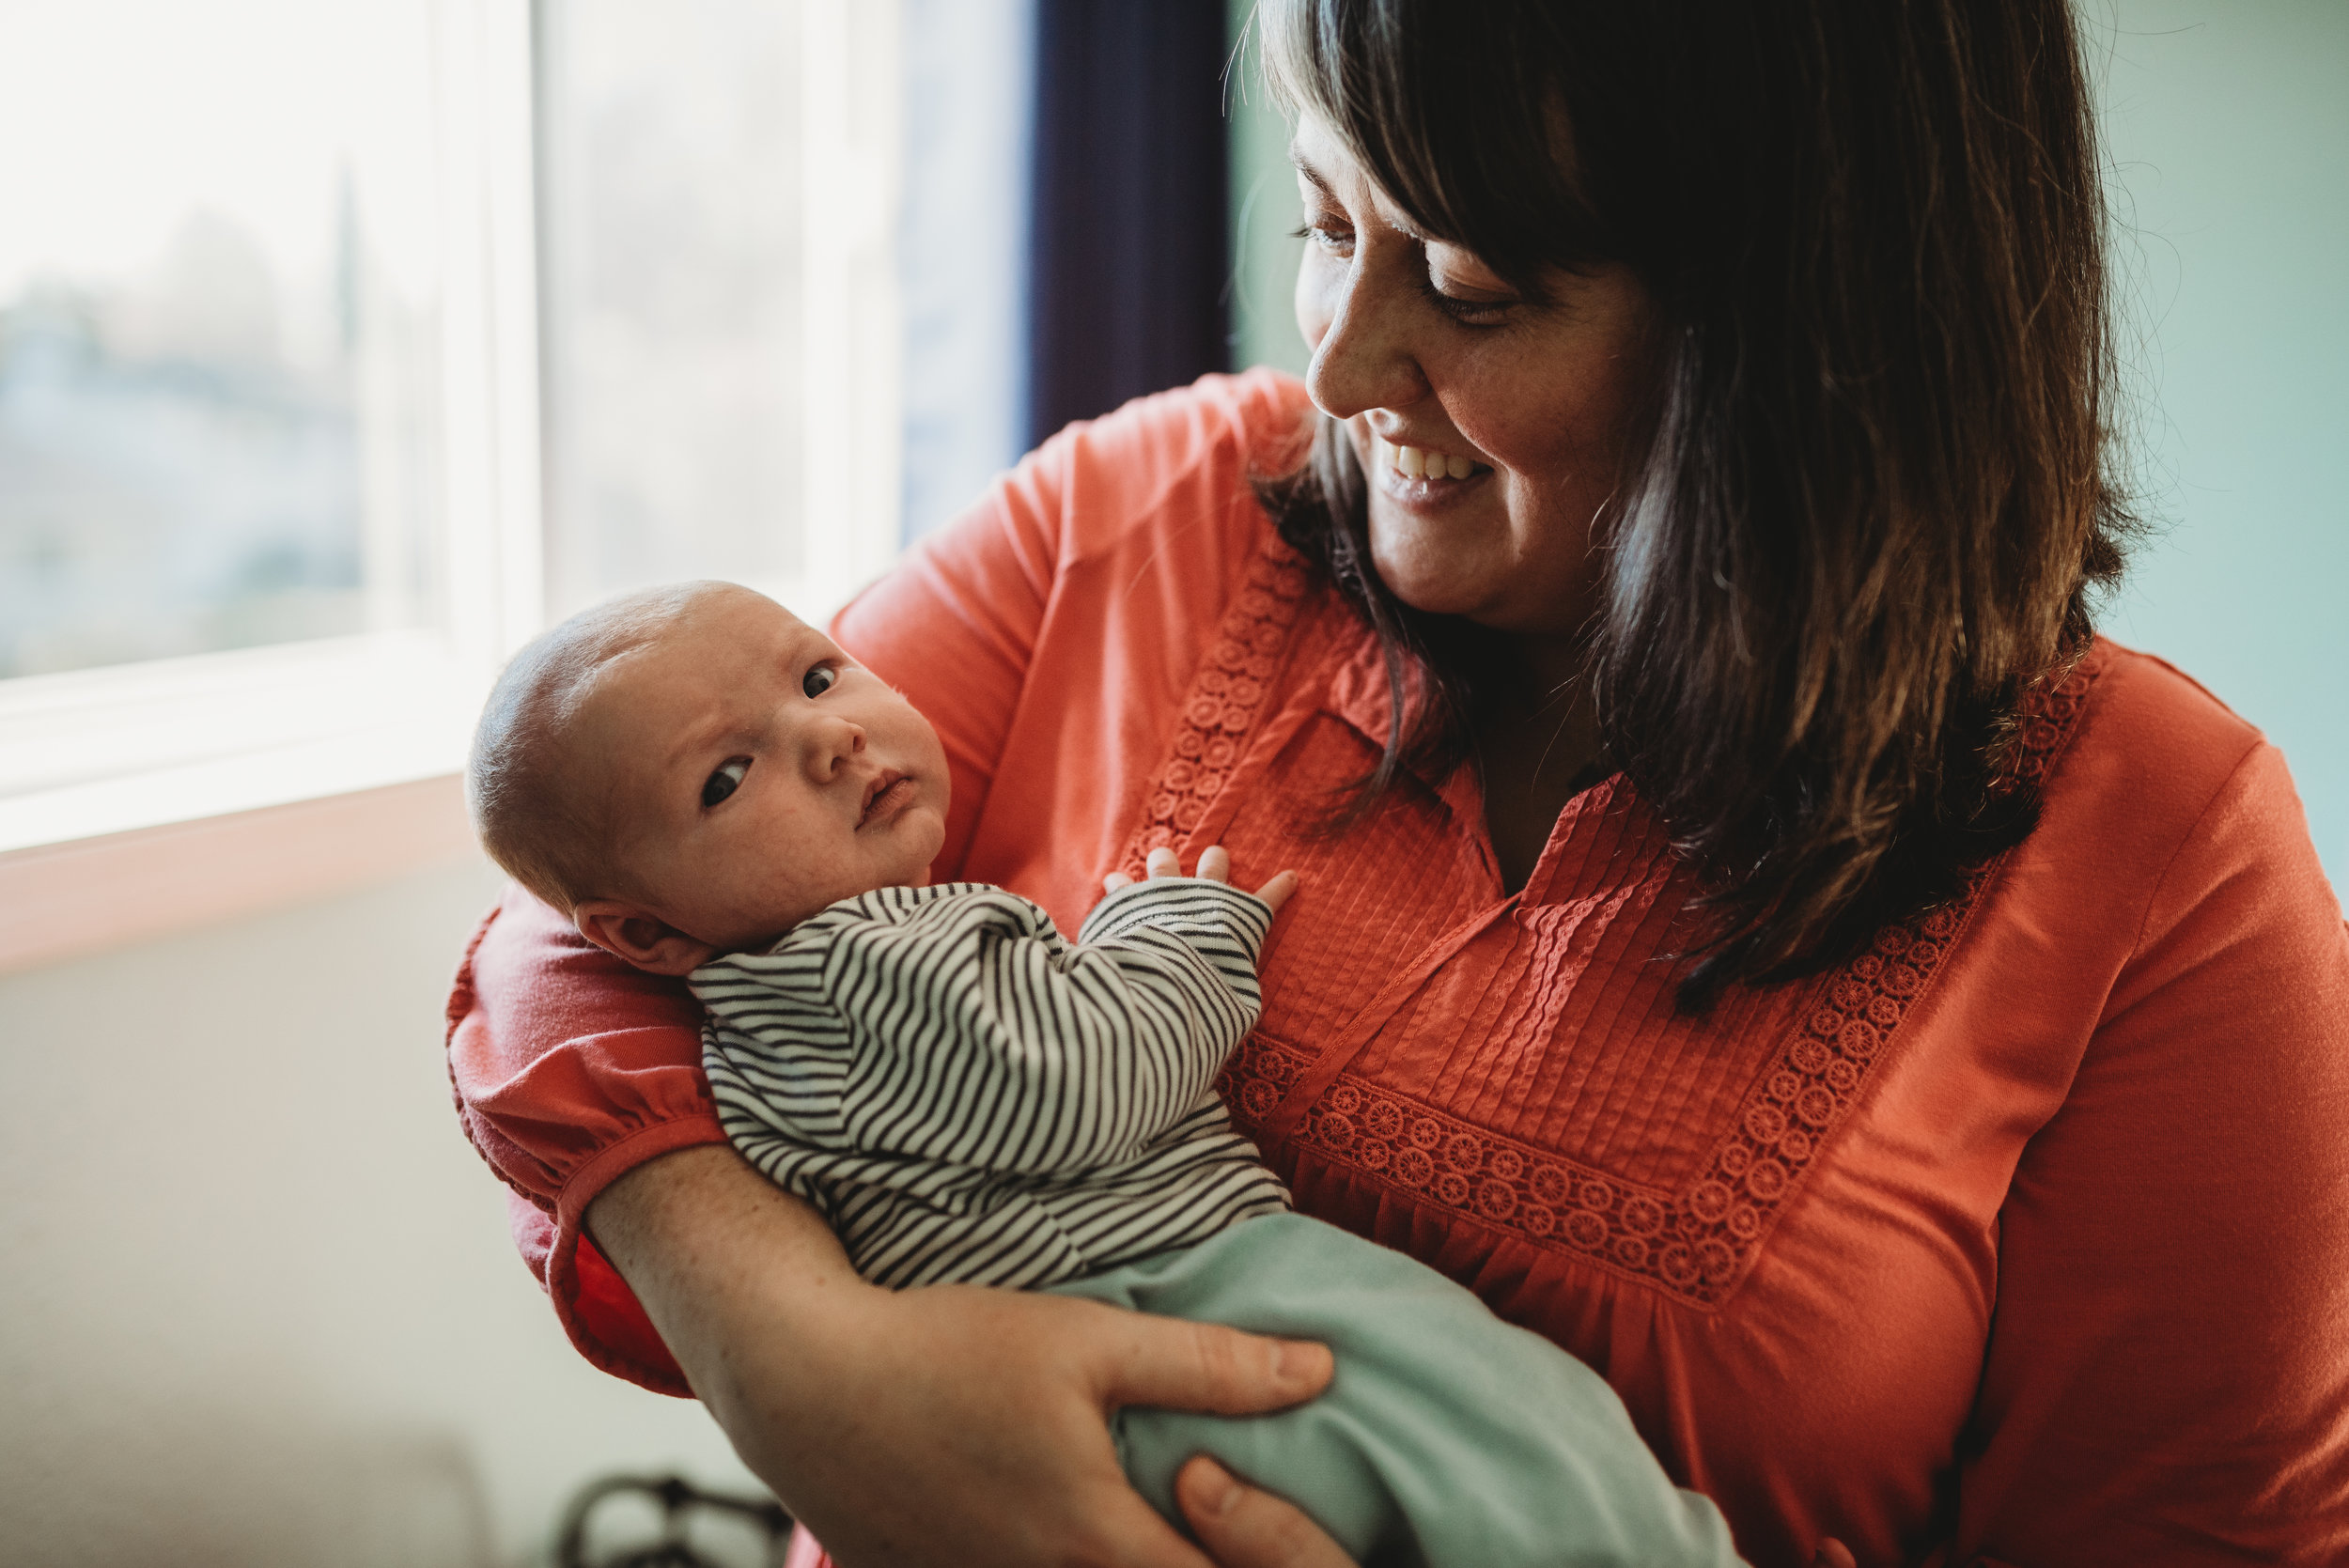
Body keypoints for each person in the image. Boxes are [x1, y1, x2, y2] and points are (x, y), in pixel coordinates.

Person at [444, 2, 2349, 1564]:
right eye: (1316, 217)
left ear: (1800, 327)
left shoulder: (2156, 855)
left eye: (1467, 281)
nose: (1339, 360)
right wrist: (811, 1372)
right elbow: (568, 945)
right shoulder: (1145, 512)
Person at [463, 580, 1747, 1568]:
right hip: (1163, 1308)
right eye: (727, 775)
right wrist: (1179, 932)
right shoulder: (848, 968)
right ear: (644, 934)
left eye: (815, 674)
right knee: (1507, 1423)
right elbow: (1082, 1086)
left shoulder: (819, 971)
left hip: (1146, 1324)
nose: (831, 740)